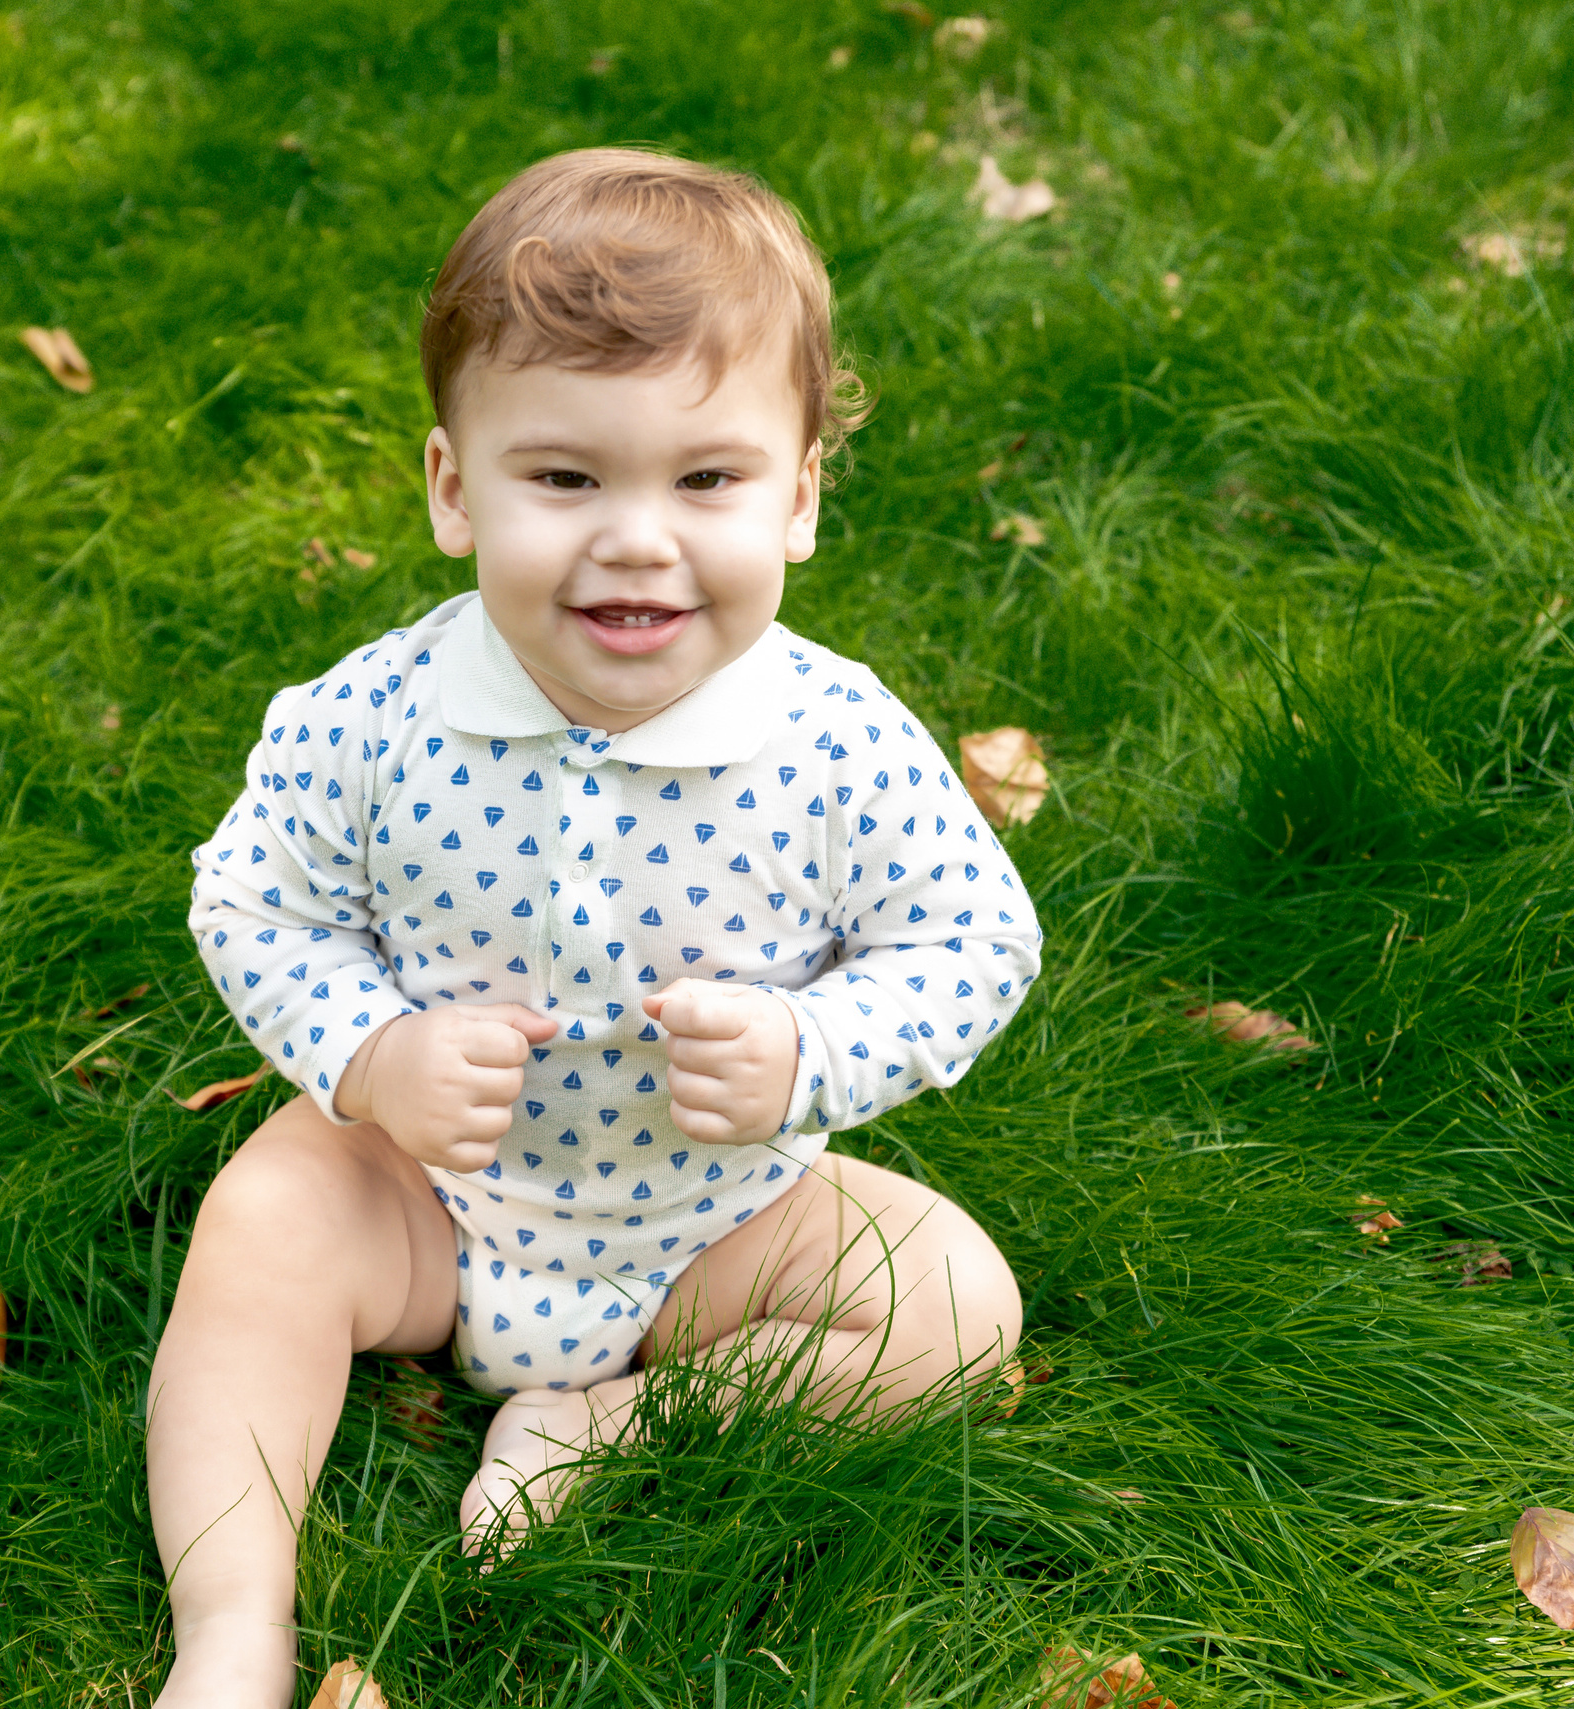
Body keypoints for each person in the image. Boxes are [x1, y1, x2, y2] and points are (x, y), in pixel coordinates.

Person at [151, 146, 1042, 1705]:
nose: (638, 536)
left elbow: (975, 938)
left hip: (715, 1221)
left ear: (802, 497)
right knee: (263, 1229)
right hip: (424, 1198)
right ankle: (235, 1628)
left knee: (955, 1302)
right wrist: (369, 1054)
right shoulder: (371, 718)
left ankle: (619, 1419)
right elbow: (250, 899)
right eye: (565, 478)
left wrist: (812, 1049)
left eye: (708, 481)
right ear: (452, 488)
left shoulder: (837, 741)